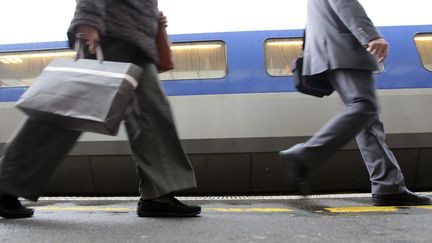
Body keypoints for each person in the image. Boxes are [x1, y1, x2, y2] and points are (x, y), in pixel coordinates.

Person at [0, 0, 201, 219]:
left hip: (139, 40)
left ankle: (158, 195)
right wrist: (87, 19)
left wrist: (151, 18)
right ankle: (5, 184)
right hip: (112, 32)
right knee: (63, 111)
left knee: (153, 115)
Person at [279, 0, 431, 206]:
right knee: (364, 106)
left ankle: (388, 186)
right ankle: (303, 155)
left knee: (367, 120)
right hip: (341, 48)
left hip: (331, 47)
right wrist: (371, 35)